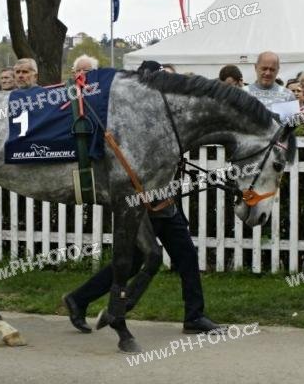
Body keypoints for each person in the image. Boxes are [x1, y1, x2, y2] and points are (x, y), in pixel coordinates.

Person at [63, 59, 227, 335]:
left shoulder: (165, 113)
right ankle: (101, 304)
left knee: (180, 255)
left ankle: (193, 315)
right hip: (144, 202)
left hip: (164, 201)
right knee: (142, 258)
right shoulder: (135, 113)